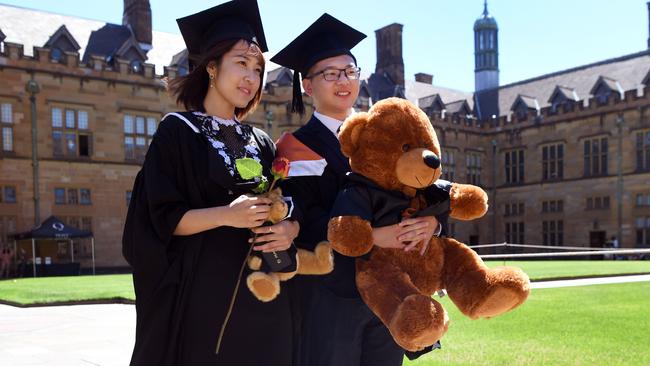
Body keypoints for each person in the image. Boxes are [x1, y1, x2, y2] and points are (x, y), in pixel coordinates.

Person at [122, 1, 300, 365]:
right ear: (212, 67)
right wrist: (226, 215)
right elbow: (159, 219)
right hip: (203, 300)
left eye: (258, 69)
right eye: (241, 63)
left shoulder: (262, 142)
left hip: (261, 295)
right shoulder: (178, 132)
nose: (251, 77)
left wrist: (286, 229)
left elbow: (284, 208)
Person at [272, 14, 446, 366]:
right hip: (330, 298)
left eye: (350, 71)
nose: (343, 81)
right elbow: (302, 222)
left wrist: (433, 224)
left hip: (390, 293)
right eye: (330, 74)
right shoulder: (294, 147)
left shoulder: (389, 135)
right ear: (307, 86)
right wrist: (372, 236)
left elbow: (426, 188)